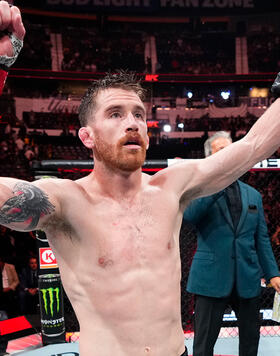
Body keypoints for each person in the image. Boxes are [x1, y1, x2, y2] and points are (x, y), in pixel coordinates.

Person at [1, 3, 280, 356]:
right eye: (115, 114)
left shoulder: (173, 186)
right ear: (87, 136)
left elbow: (253, 146)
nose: (132, 122)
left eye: (138, 114)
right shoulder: (64, 200)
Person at [183, 131, 280, 356]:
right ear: (210, 157)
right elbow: (190, 217)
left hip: (247, 279)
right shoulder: (198, 188)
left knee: (250, 343)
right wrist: (217, 183)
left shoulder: (253, 195)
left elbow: (262, 239)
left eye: (231, 149)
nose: (228, 154)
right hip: (211, 279)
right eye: (221, 150)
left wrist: (273, 273)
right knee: (203, 345)